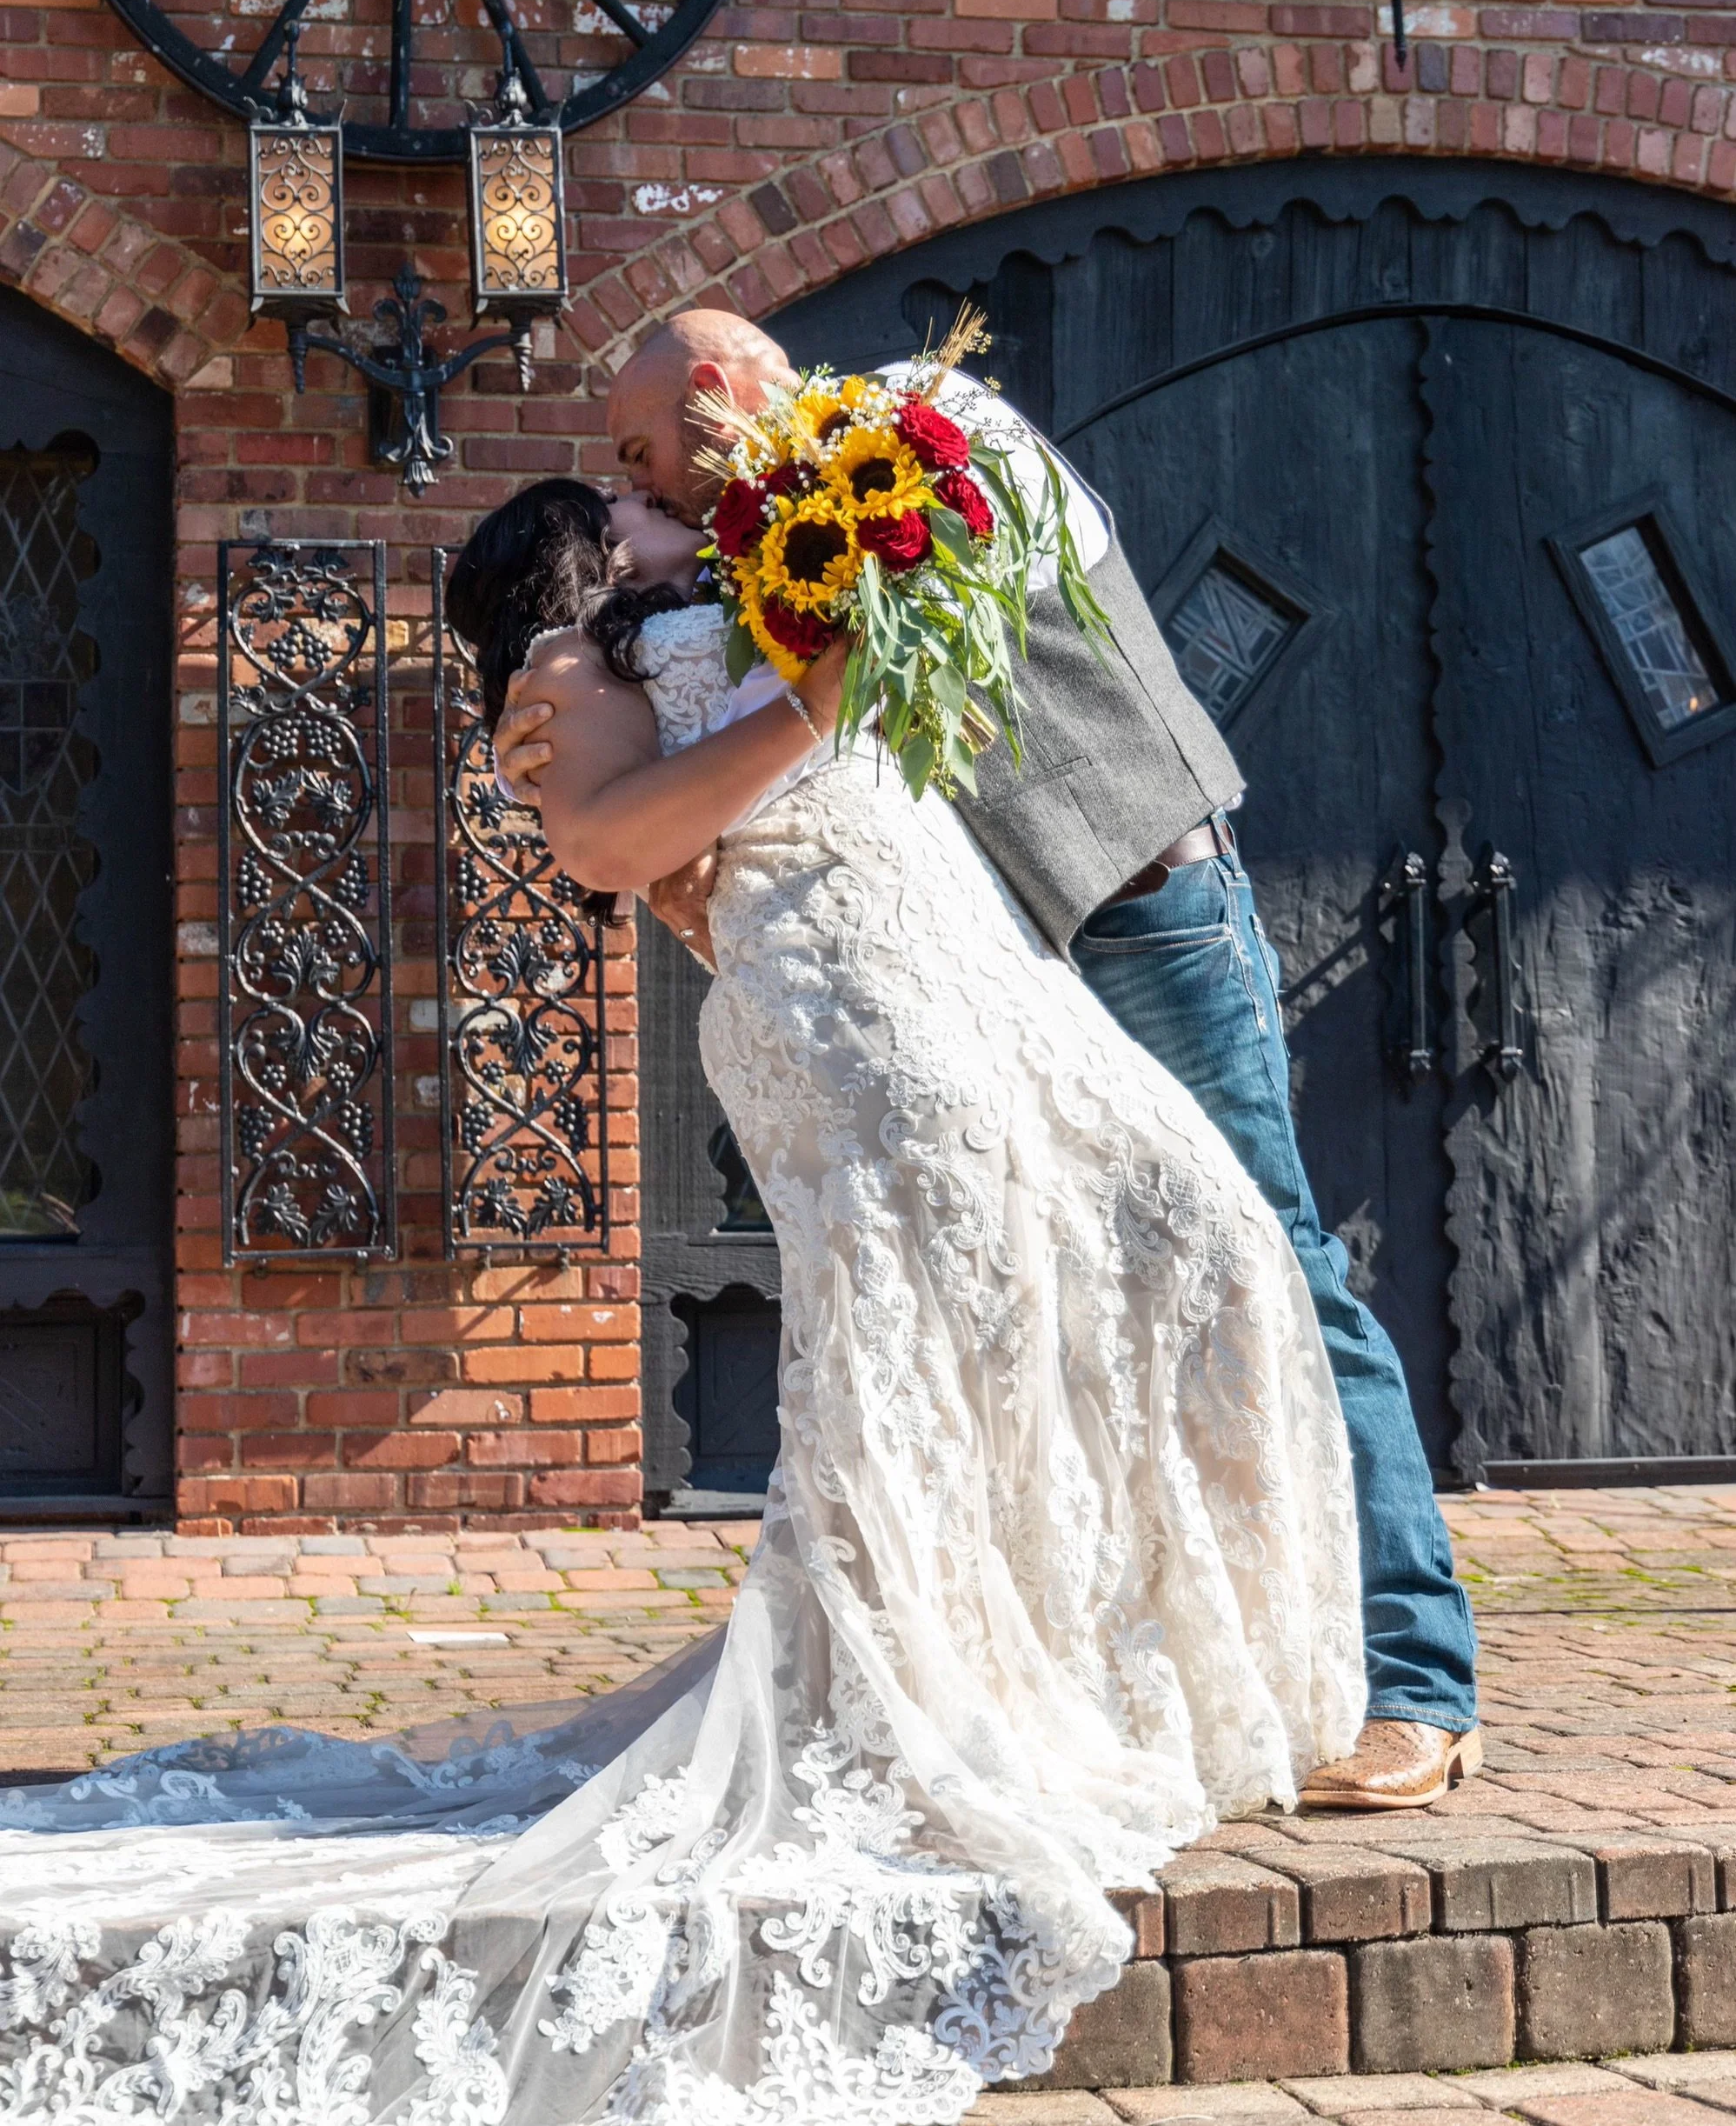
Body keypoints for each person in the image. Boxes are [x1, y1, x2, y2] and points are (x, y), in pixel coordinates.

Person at [0, 470, 1368, 2123]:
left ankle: (1080, 1655)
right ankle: (923, 1691)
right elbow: (601, 839)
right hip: (857, 1024)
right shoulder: (578, 668)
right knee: (924, 1363)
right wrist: (814, 703)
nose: (680, 510)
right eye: (642, 503)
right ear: (586, 562)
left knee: (1166, 1255)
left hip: (979, 987)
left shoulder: (730, 614)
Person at [496, 307, 1483, 1812]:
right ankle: (1157, 1663)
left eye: (642, 452)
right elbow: (731, 717)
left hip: (1133, 899)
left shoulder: (934, 434)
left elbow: (905, 633)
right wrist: (564, 708)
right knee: (1064, 1291)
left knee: (1261, 1250)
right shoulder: (745, 544)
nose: (641, 481)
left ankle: (1417, 1678)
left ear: (715, 396)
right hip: (975, 958)